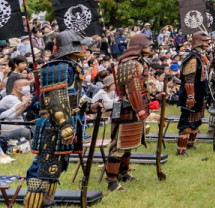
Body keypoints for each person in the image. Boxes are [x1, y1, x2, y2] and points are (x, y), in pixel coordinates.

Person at [22, 31, 96, 208]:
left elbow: (75, 98)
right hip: (54, 126)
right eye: (81, 45)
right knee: (41, 172)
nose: (85, 49)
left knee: (54, 171)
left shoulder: (71, 65)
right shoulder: (58, 67)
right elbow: (55, 99)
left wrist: (90, 106)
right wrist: (64, 125)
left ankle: (47, 204)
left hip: (65, 125)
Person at [105, 33, 154, 192]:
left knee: (129, 144)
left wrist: (153, 94)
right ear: (139, 46)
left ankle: (123, 173)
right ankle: (112, 181)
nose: (150, 47)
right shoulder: (129, 64)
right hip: (128, 107)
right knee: (119, 145)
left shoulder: (138, 62)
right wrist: (139, 108)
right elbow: (132, 90)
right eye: (147, 45)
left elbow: (142, 87)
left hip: (135, 108)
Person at [176, 31, 211, 156]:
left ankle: (190, 143)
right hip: (191, 96)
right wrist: (190, 96)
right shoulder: (192, 58)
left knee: (197, 121)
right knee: (187, 122)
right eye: (205, 41)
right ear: (199, 42)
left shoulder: (200, 57)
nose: (208, 43)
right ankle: (181, 149)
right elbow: (189, 80)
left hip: (200, 95)